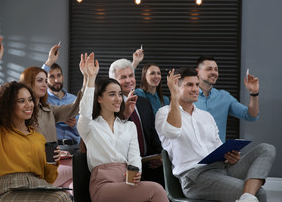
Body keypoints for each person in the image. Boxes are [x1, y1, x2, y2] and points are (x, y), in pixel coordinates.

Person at [0, 36, 71, 202]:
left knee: (66, 197)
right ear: (9, 105)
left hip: (38, 186)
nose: (29, 105)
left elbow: (48, 178)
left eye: (30, 99)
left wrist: (52, 163)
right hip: (7, 191)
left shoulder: (38, 138)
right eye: (21, 101)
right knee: (60, 198)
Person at [155, 67, 275, 202]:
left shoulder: (206, 116)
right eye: (189, 85)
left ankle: (246, 197)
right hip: (195, 178)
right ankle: (248, 196)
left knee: (266, 148)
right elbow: (172, 131)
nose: (195, 89)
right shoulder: (164, 113)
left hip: (221, 168)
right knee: (259, 194)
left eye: (196, 84)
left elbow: (217, 146)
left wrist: (230, 157)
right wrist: (174, 95)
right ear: (176, 87)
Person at [77, 52, 169, 202]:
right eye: (112, 94)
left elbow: (134, 157)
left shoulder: (129, 126)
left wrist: (136, 171)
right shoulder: (89, 126)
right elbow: (85, 111)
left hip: (127, 180)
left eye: (119, 94)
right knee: (156, 189)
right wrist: (91, 78)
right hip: (103, 184)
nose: (118, 98)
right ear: (99, 98)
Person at [19, 45, 86, 190]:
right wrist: (49, 62)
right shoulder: (21, 111)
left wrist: (88, 77)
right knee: (83, 169)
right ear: (29, 84)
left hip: (55, 161)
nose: (45, 84)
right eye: (40, 81)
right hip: (35, 169)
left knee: (74, 188)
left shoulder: (48, 109)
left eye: (45, 80)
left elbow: (75, 106)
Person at [109, 58, 164, 186]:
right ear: (113, 81)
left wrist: (159, 156)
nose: (129, 80)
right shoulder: (110, 105)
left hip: (149, 164)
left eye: (131, 75)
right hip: (124, 167)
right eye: (123, 77)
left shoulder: (143, 102)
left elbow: (153, 133)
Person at [195, 55, 260, 142]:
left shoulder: (224, 97)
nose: (214, 72)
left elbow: (251, 116)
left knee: (266, 149)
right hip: (194, 153)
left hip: (218, 153)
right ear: (198, 72)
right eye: (209, 69)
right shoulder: (187, 97)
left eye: (216, 69)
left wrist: (254, 93)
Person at [45, 62, 80, 153]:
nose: (56, 80)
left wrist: (74, 125)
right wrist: (58, 117)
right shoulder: (43, 100)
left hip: (74, 147)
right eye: (52, 77)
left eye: (59, 75)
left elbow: (83, 129)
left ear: (62, 77)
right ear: (45, 80)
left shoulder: (74, 99)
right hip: (52, 148)